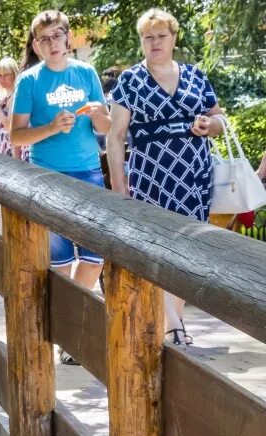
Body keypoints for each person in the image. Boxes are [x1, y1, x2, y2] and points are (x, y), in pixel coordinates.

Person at [107, 8, 224, 347]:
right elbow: (116, 138)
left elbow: (219, 120)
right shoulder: (130, 80)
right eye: (148, 37)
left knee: (188, 252)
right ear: (141, 41)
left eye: (161, 36)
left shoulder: (195, 76)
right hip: (150, 178)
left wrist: (209, 125)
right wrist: (119, 188)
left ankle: (175, 319)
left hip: (193, 176)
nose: (155, 42)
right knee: (157, 249)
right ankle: (172, 324)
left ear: (173, 38)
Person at [10, 10, 110, 365]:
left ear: (68, 38)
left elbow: (106, 127)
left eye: (58, 35)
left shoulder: (86, 73)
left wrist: (99, 116)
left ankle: (70, 328)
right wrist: (52, 127)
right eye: (44, 38)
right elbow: (16, 135)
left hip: (89, 174)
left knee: (96, 256)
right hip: (47, 177)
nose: (53, 43)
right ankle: (58, 335)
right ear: (36, 46)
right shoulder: (29, 81)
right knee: (59, 262)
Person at [0, 57, 26, 159]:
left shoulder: (17, 95)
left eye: (6, 74)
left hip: (17, 151)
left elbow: (10, 127)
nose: (2, 79)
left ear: (15, 74)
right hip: (6, 147)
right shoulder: (4, 95)